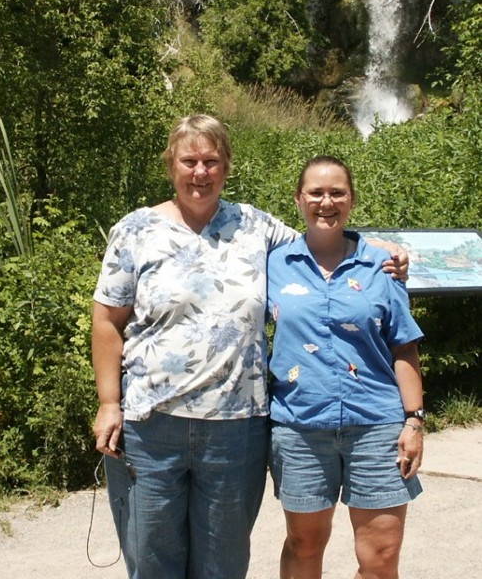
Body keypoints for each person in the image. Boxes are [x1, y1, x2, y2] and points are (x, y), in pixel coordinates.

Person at [92, 116, 409, 579]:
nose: (200, 172)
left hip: (236, 428)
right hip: (151, 424)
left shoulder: (255, 226)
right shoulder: (136, 230)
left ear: (226, 167)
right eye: (190, 161)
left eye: (211, 161)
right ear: (171, 165)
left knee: (222, 566)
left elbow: (321, 242)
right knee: (153, 562)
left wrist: (380, 248)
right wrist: (108, 403)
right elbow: (107, 320)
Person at [267, 155, 425, 579]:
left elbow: (404, 346)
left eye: (337, 192)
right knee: (303, 545)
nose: (326, 202)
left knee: (381, 556)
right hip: (300, 427)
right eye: (316, 193)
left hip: (376, 425)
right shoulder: (273, 264)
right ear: (298, 199)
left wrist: (414, 421)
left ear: (351, 199)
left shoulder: (381, 265)